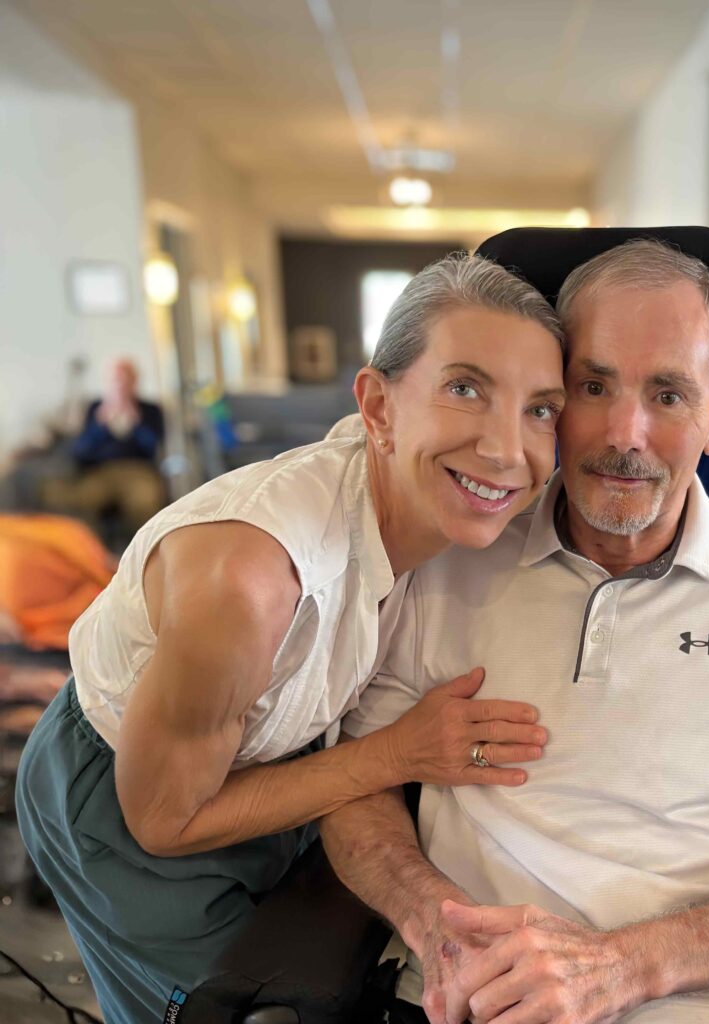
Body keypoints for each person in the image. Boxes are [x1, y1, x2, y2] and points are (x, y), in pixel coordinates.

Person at [325, 231, 709, 1024]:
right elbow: (353, 788)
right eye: (593, 388)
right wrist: (439, 924)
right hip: (462, 994)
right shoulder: (448, 556)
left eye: (667, 395)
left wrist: (622, 967)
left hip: (685, 1001)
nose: (623, 434)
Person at [15, 253, 566, 1024]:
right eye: (464, 388)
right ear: (377, 408)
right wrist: (401, 752)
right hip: (127, 795)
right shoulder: (250, 580)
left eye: (541, 408)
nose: (509, 449)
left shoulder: (440, 498)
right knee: (219, 1007)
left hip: (267, 754)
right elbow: (164, 821)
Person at [41, 357, 167, 532]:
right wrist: (100, 426)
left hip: (138, 471)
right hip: (101, 472)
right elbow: (81, 451)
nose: (120, 385)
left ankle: (142, 554)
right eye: (116, 380)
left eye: (125, 379)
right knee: (75, 500)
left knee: (145, 504)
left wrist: (136, 423)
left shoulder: (150, 410)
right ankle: (90, 554)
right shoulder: (94, 409)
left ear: (135, 381)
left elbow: (154, 448)